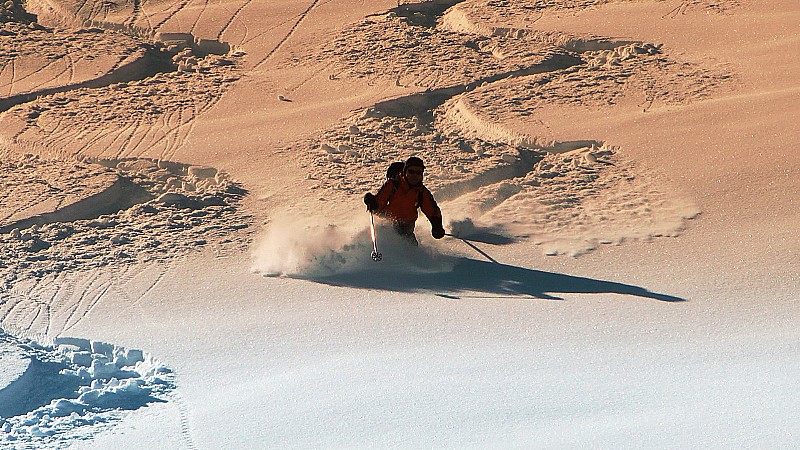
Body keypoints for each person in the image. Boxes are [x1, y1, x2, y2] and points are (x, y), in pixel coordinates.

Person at [363, 156, 445, 245]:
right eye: (411, 172)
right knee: (390, 243)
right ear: (405, 172)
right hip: (388, 223)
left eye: (418, 173)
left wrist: (437, 226)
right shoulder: (393, 185)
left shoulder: (421, 192)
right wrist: (371, 202)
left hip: (407, 227)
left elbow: (431, 211)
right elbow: (378, 205)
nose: (414, 175)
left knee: (411, 248)